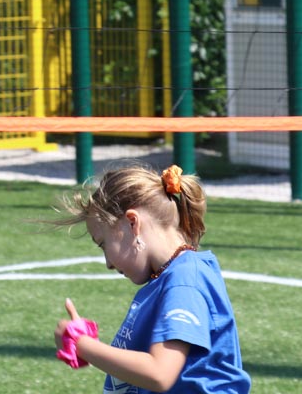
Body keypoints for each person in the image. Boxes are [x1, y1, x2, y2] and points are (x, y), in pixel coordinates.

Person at [51, 164, 251, 393]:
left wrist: (82, 345)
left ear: (132, 223)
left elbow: (159, 374)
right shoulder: (167, 279)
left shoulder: (184, 282)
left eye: (104, 244)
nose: (108, 263)